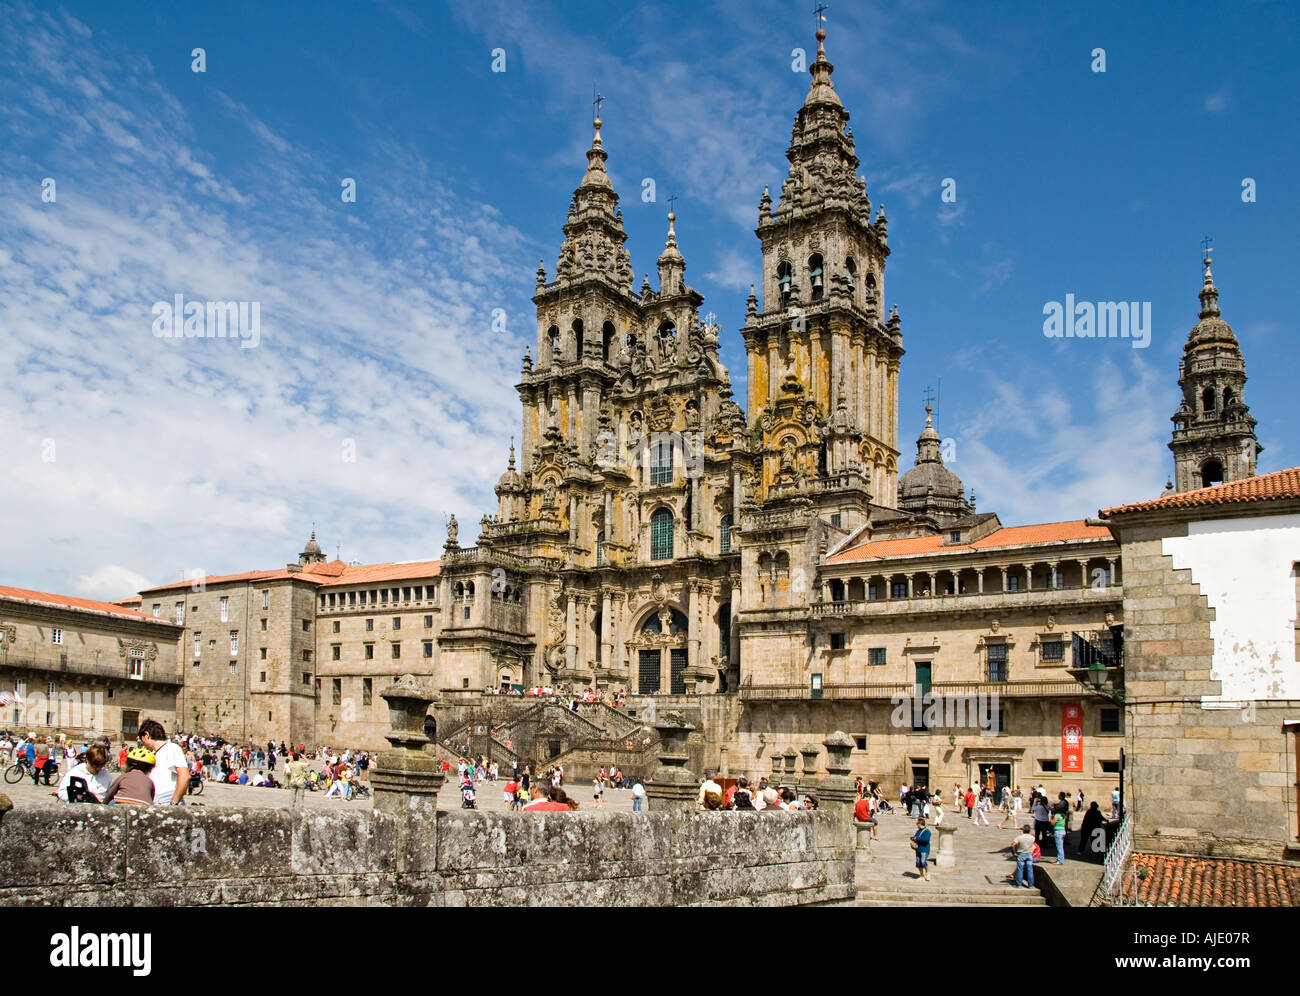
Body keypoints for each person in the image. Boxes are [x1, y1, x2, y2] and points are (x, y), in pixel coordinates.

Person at [138, 719, 189, 805]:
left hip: (166, 798)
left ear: (146, 735)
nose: (142, 743)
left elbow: (184, 775)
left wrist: (174, 801)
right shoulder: (156, 753)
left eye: (141, 739)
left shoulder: (172, 748)